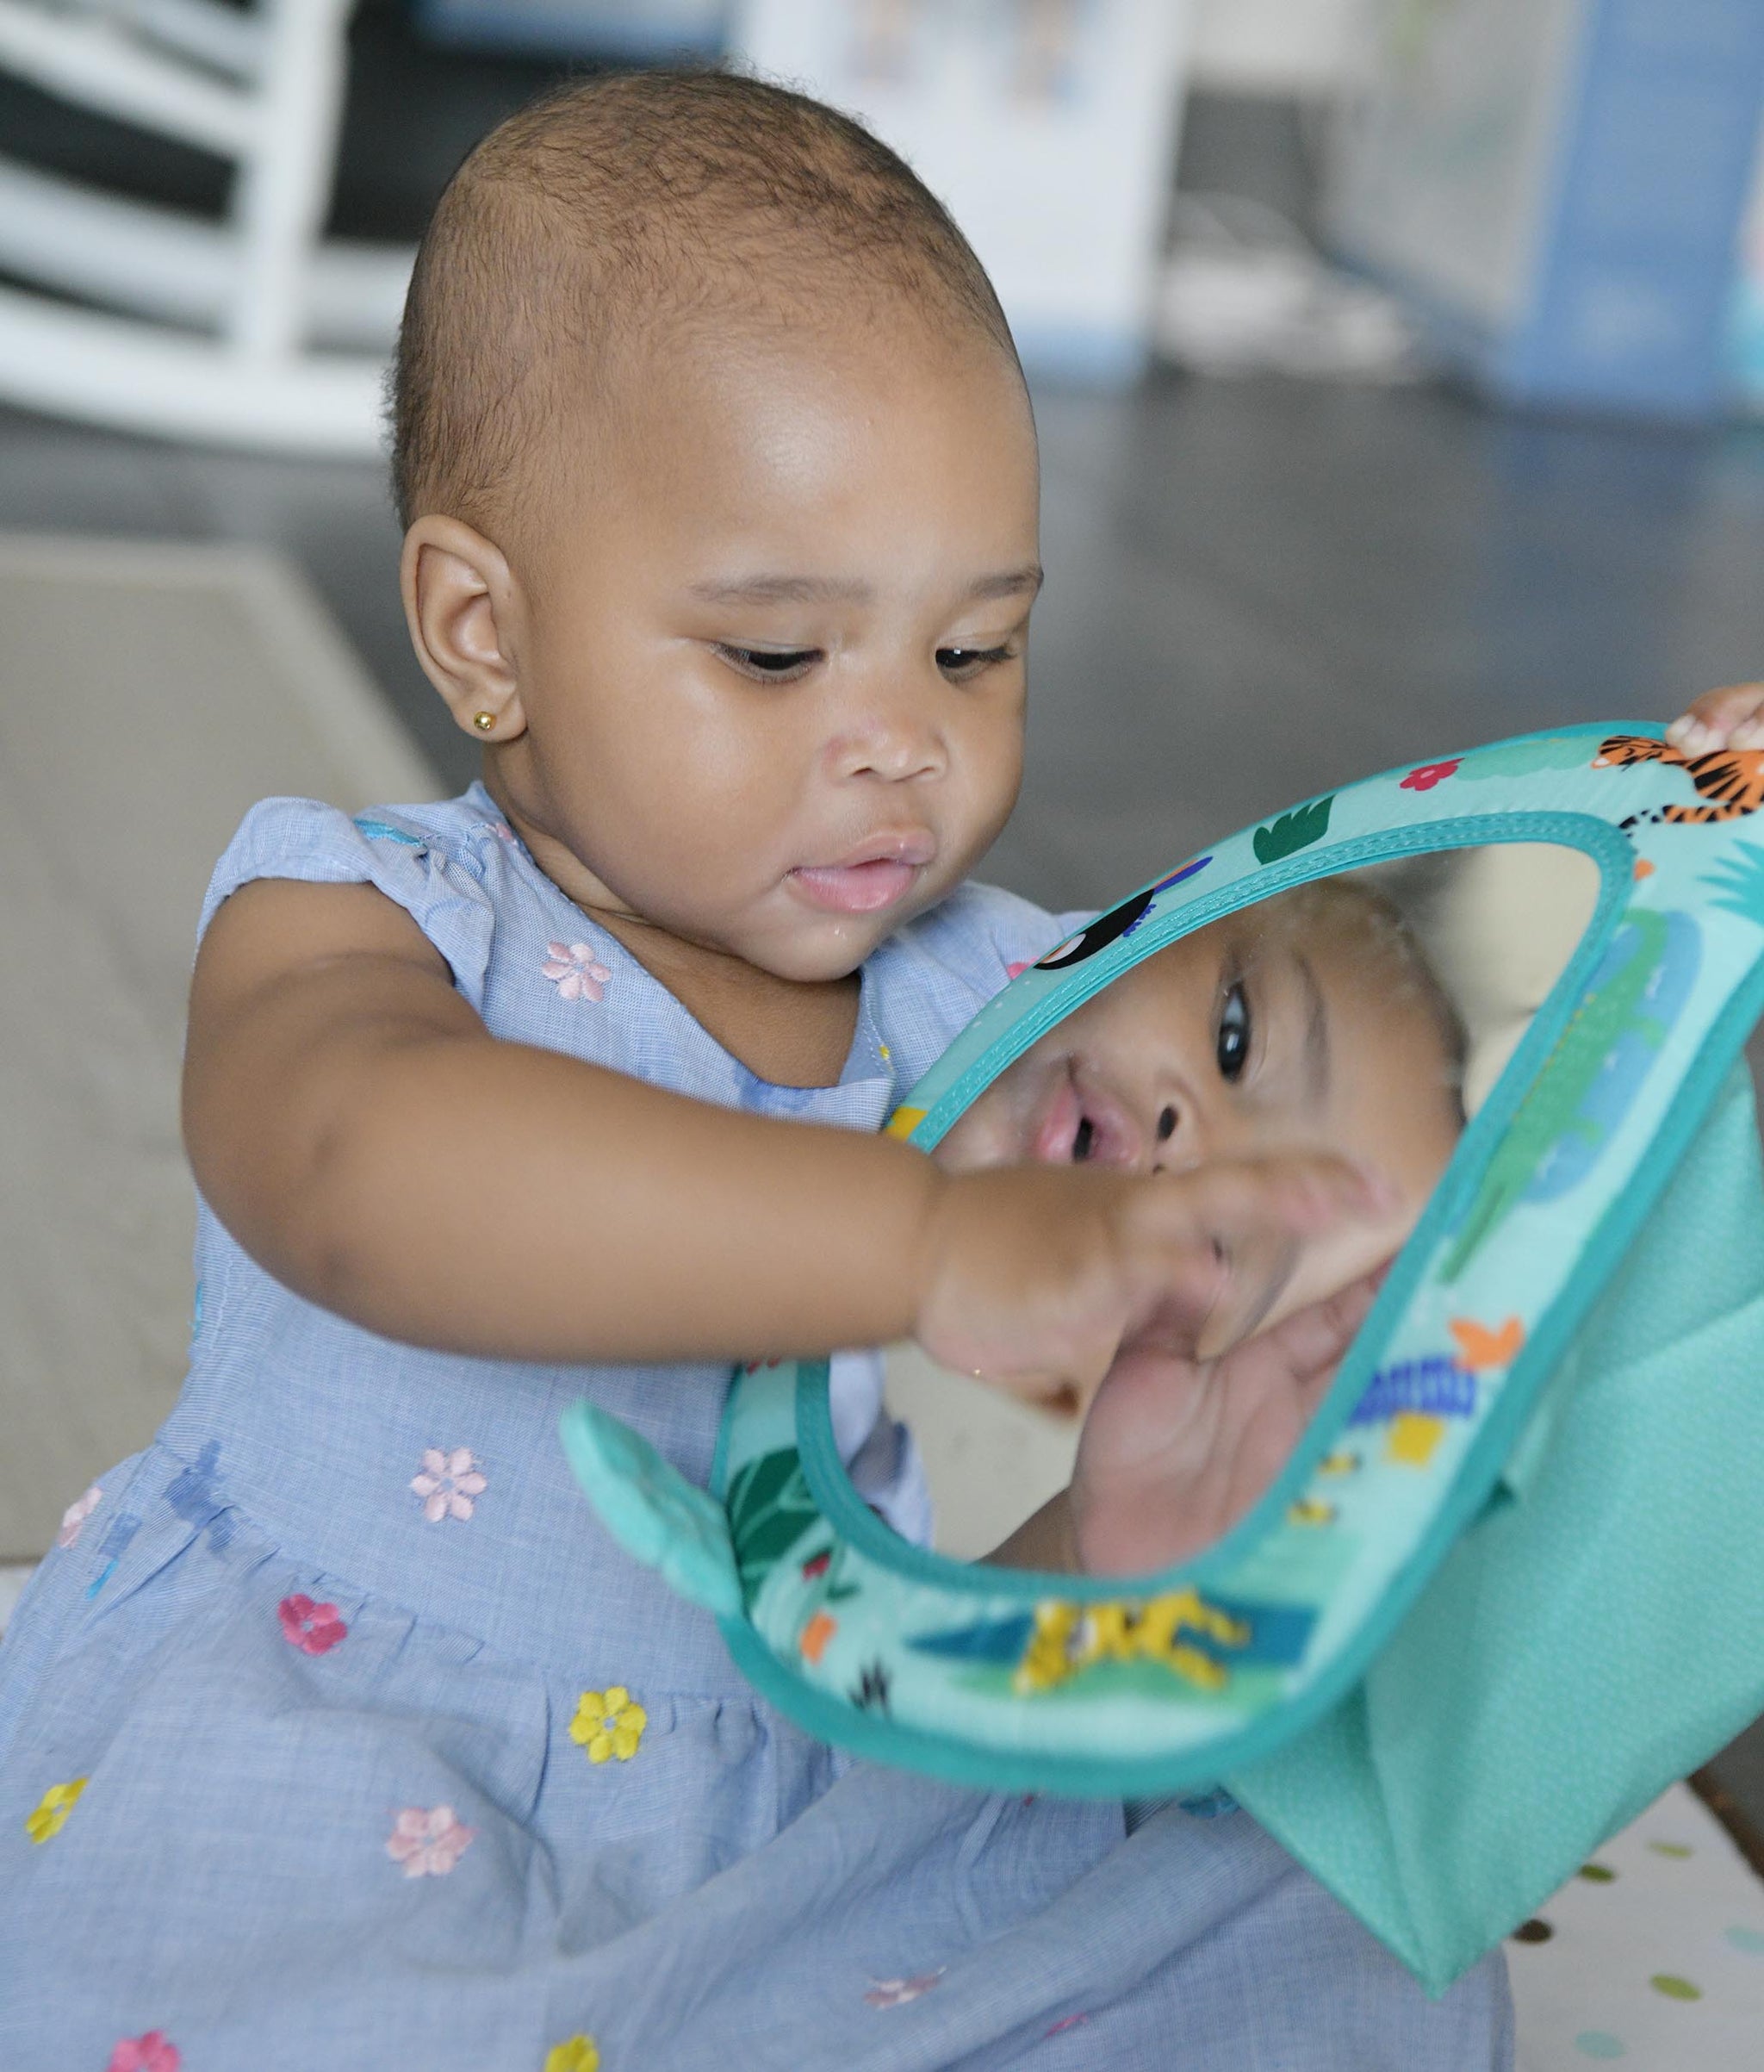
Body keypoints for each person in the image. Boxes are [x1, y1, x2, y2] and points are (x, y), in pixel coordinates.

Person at [0, 72, 1512, 2071]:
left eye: (972, 655)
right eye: (782, 659)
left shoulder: (967, 988)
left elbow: (1289, 1066)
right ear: (483, 632)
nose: (902, 746)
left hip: (802, 1766)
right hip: (363, 1744)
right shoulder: (360, 914)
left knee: (1331, 1931)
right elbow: (369, 1171)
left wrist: (1674, 889)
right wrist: (919, 1241)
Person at [937, 876, 1466, 1576]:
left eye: (1216, 1244)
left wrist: (1074, 1556)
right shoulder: (844, 907)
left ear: (1039, 1374)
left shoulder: (845, 1431)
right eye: (1233, 1040)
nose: (1192, 1153)